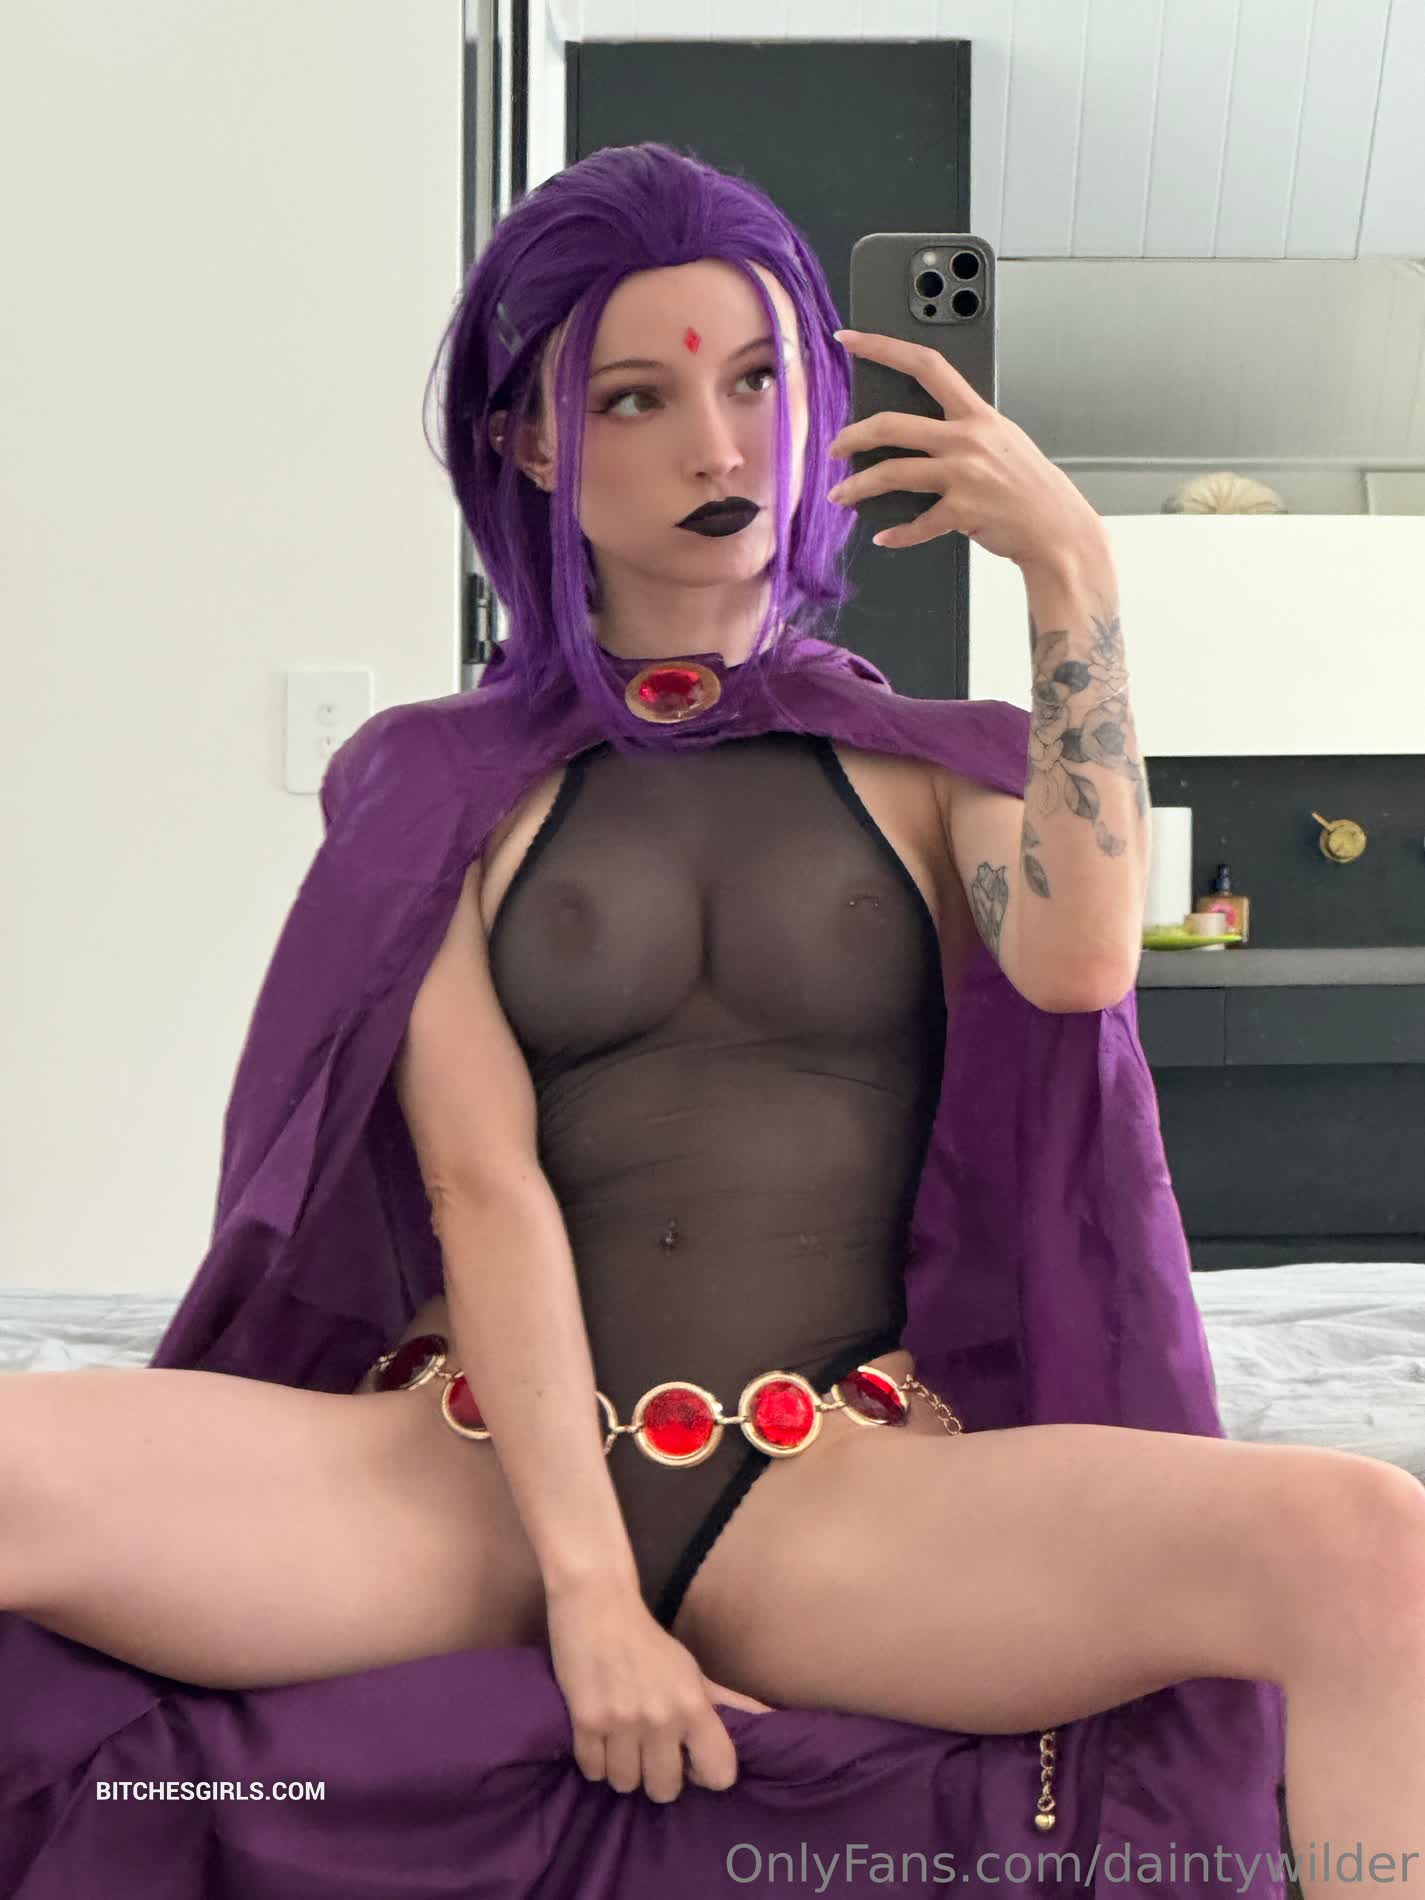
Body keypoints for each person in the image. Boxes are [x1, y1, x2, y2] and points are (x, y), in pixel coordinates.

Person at [3, 140, 1422, 1896]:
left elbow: (1078, 964)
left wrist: (1073, 569)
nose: (718, 446)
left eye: (757, 380)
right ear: (532, 442)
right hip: (461, 1476)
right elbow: (482, 1187)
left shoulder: (935, 770)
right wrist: (589, 1597)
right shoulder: (431, 783)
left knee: (1360, 1539)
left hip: (817, 1491)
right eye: (634, 396)